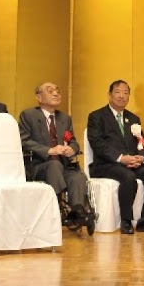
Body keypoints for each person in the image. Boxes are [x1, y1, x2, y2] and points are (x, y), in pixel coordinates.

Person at [86, 80, 144, 235]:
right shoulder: (97, 116)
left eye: (125, 92)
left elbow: (143, 143)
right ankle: (126, 220)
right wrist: (121, 158)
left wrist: (141, 158)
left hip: (131, 163)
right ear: (109, 95)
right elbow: (97, 144)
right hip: (106, 164)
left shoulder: (133, 118)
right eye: (117, 92)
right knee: (128, 176)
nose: (121, 96)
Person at [19, 82, 95, 234]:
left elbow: (73, 142)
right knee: (54, 166)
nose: (55, 93)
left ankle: (76, 212)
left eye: (57, 91)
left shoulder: (64, 118)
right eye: (50, 91)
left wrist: (71, 149)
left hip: (63, 164)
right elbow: (23, 141)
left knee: (77, 176)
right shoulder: (28, 115)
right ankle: (56, 208)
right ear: (38, 97)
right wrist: (49, 150)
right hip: (39, 165)